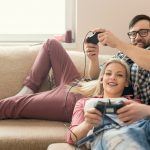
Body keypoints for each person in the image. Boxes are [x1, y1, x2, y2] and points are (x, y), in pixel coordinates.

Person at [66, 58, 150, 150]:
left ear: (126, 83)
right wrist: (87, 124)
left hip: (134, 136)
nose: (113, 77)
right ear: (102, 79)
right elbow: (71, 138)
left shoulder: (134, 103)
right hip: (108, 137)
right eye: (108, 73)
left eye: (119, 75)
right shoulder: (84, 103)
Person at [85, 14, 150, 124]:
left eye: (143, 32)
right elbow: (96, 76)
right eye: (133, 34)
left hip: (139, 114)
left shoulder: (130, 49)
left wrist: (117, 43)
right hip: (99, 98)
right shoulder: (122, 54)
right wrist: (93, 59)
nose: (138, 37)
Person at [0, 39, 84, 121]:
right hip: (79, 84)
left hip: (78, 100)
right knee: (51, 44)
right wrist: (93, 59)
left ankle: (21, 99)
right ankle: (28, 90)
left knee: (12, 105)